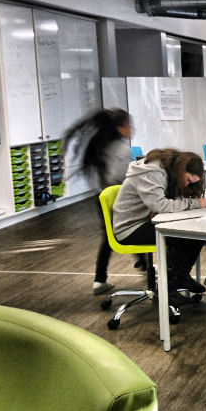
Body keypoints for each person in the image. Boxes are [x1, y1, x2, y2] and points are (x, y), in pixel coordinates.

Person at [111, 149, 206, 303]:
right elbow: (160, 205)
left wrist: (163, 206)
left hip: (146, 219)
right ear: (182, 169)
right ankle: (167, 290)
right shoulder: (152, 172)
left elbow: (160, 204)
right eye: (188, 180)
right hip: (130, 226)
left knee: (197, 234)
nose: (187, 184)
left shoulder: (171, 170)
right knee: (181, 237)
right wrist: (194, 203)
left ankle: (181, 277)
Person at [63, 108, 135, 295]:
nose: (132, 128)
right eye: (129, 124)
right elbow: (120, 178)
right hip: (120, 198)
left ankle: (100, 279)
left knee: (110, 236)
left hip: (101, 198)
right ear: (120, 128)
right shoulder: (122, 149)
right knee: (134, 227)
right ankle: (145, 266)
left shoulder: (101, 146)